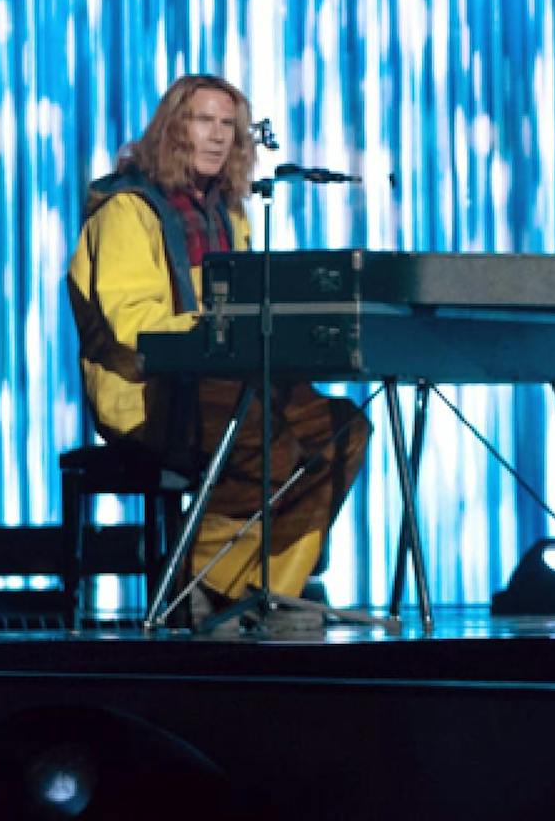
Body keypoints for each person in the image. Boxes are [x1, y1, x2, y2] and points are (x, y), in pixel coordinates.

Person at [65, 73, 372, 625]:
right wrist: (216, 333)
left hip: (232, 380)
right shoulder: (125, 211)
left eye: (228, 125)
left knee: (344, 429)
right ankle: (200, 580)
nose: (216, 136)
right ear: (171, 129)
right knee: (267, 445)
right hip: (150, 388)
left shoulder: (228, 214)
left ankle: (270, 582)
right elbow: (135, 322)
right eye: (202, 121)